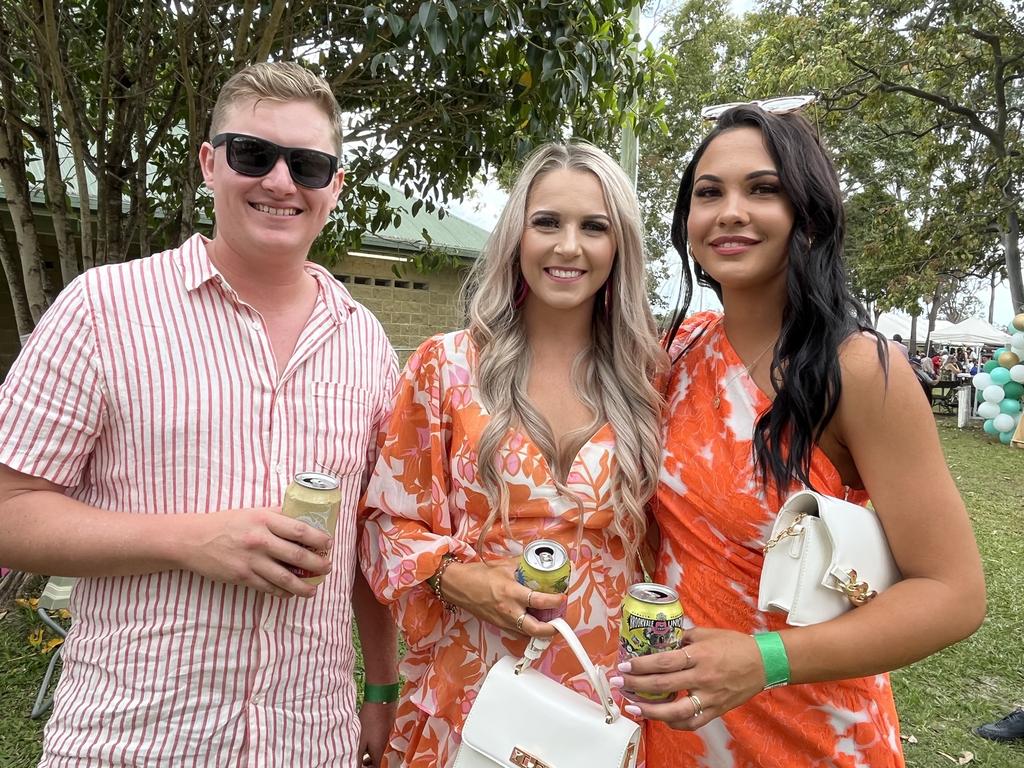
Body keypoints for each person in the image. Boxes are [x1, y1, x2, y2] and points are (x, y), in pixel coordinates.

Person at [0, 62, 399, 767]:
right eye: (253, 154)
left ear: (334, 187)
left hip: (311, 743)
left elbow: (371, 541)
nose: (280, 181)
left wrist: (383, 686)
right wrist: (192, 540)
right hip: (131, 742)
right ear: (210, 163)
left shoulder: (366, 342)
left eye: (307, 165)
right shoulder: (103, 310)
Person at [617, 104, 986, 767]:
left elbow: (953, 594)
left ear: (807, 213)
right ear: (686, 222)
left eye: (763, 189)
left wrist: (766, 660)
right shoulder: (675, 355)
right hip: (684, 726)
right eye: (709, 193)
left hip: (816, 729)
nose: (731, 211)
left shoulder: (857, 371)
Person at [359, 142, 666, 767]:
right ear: (516, 236)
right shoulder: (446, 366)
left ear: (620, 247)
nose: (568, 247)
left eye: (594, 227)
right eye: (547, 222)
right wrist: (456, 578)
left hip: (604, 700)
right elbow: (384, 524)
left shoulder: (649, 379)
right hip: (470, 688)